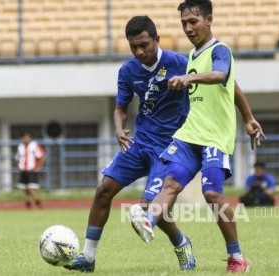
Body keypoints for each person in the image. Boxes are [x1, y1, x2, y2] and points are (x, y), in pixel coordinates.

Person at [65, 15, 262, 273]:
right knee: (103, 190)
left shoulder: (181, 63)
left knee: (152, 205)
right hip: (139, 142)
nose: (139, 51)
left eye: (144, 44)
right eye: (133, 46)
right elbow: (120, 108)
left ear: (156, 40)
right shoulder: (127, 70)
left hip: (170, 144)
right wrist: (118, 129)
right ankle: (88, 258)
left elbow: (228, 82)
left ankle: (181, 243)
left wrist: (248, 117)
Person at [128, 0, 265, 273]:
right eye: (184, 24)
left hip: (215, 136)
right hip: (190, 134)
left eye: (193, 22)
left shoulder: (220, 50)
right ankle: (148, 221)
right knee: (170, 183)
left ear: (209, 19)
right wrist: (249, 117)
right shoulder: (193, 55)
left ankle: (237, 257)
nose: (188, 28)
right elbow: (234, 84)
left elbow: (222, 75)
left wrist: (190, 80)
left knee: (212, 194)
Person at [15, 132, 45, 208]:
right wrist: (19, 165)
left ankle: (38, 202)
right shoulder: (20, 147)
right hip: (23, 170)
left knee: (31, 188)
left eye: (27, 137)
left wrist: (38, 167)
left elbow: (42, 156)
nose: (26, 139)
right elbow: (17, 158)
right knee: (25, 189)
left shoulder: (34, 146)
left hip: (31, 170)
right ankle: (28, 204)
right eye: (24, 137)